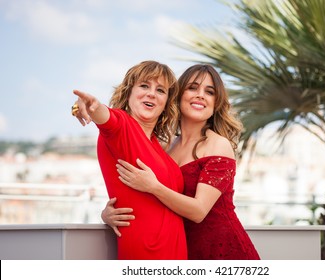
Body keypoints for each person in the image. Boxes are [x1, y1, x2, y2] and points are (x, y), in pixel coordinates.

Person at [103, 64, 260, 260]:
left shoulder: (219, 145)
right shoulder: (165, 147)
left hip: (222, 251)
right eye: (193, 88)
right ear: (177, 95)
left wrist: (154, 187)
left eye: (209, 92)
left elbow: (199, 211)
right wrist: (107, 214)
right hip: (181, 251)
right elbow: (146, 199)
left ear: (216, 103)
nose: (200, 95)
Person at [71, 60, 187, 260]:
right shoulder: (122, 127)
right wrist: (90, 106)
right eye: (144, 85)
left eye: (160, 90)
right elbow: (105, 116)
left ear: (167, 101)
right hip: (147, 254)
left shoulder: (157, 146)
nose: (151, 93)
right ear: (129, 92)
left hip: (175, 255)